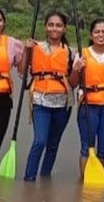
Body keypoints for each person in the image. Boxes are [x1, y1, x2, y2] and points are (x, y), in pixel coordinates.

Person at [23, 11, 74, 181]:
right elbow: (22, 71)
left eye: (59, 25)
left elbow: (74, 82)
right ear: (45, 27)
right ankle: (29, 179)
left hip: (63, 103)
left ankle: (45, 178)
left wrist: (79, 69)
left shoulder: (70, 52)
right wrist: (26, 50)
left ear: (64, 28)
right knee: (40, 141)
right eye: (51, 24)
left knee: (53, 144)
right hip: (40, 100)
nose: (55, 28)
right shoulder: (35, 47)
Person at [69, 18, 104, 179]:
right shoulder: (81, 54)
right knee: (88, 147)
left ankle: (96, 177)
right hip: (88, 105)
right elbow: (72, 83)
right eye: (97, 32)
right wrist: (77, 70)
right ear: (91, 35)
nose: (101, 35)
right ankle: (84, 181)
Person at [0, 7, 23, 172]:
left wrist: (27, 50)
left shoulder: (13, 44)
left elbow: (22, 70)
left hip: (1, 100)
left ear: (3, 23)